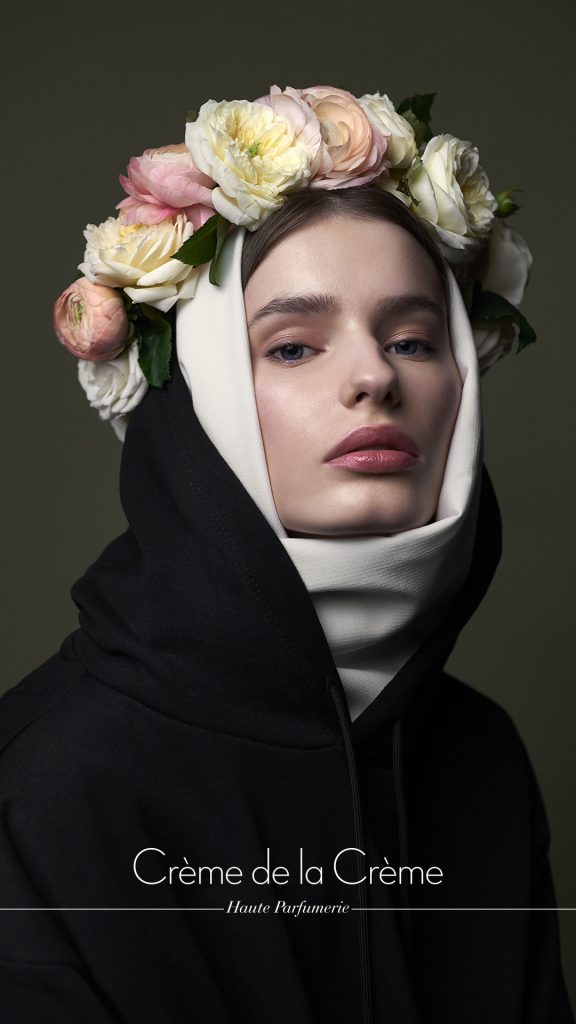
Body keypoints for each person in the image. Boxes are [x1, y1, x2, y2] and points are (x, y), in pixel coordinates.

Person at [0, 86, 573, 1023]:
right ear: (203, 395)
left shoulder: (480, 756)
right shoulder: (49, 783)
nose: (374, 376)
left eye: (414, 339)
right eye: (295, 348)